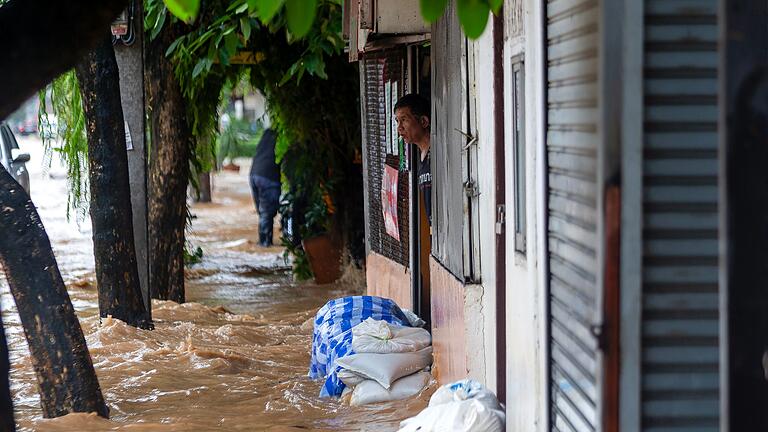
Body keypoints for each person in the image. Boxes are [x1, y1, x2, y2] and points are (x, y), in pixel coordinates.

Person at [394, 94, 432, 225]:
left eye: (404, 120)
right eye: (397, 121)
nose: (399, 128)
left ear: (423, 122)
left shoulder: (438, 153)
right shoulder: (421, 157)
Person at [249, 128, 281, 246]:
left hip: (254, 175)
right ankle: (265, 243)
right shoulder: (280, 139)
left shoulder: (266, 137)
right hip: (268, 177)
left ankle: (263, 241)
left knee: (262, 212)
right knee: (267, 212)